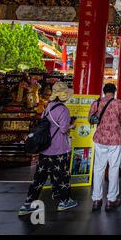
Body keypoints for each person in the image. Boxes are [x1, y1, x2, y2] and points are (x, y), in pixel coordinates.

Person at [18, 82, 77, 216]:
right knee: (62, 176)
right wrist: (71, 126)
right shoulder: (64, 109)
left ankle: (27, 204)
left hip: (45, 149)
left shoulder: (48, 107)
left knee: (39, 178)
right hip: (60, 149)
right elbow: (63, 130)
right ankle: (64, 201)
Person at [89, 83, 121, 211]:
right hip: (115, 140)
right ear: (115, 91)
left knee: (98, 168)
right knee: (113, 168)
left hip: (100, 139)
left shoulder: (96, 103)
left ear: (104, 91)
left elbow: (90, 119)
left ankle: (96, 199)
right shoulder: (119, 103)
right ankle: (111, 200)